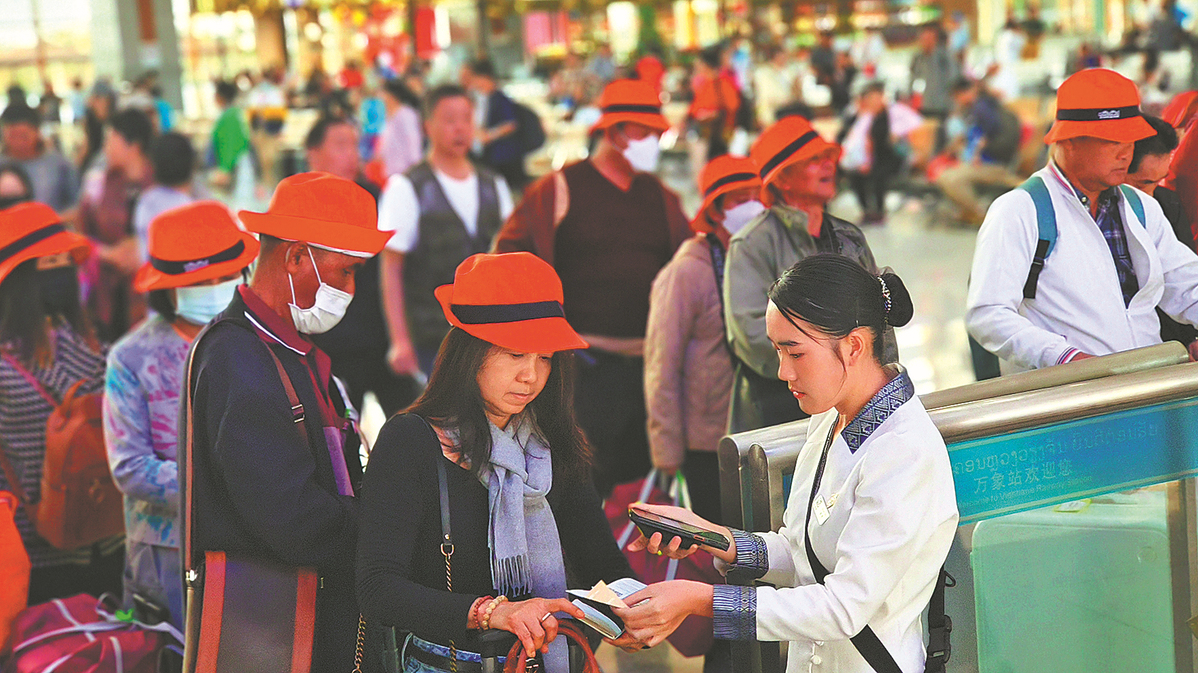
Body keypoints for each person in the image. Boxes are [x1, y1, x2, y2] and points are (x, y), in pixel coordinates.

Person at [617, 255, 958, 673]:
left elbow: (843, 607)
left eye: (795, 353)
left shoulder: (905, 451)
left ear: (853, 346)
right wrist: (716, 537)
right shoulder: (830, 417)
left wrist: (699, 600)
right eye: (777, 350)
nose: (782, 371)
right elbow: (802, 554)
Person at [357, 252, 643, 673]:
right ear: (469, 354)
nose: (531, 375)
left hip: (552, 660)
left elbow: (604, 563)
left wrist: (635, 606)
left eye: (545, 358)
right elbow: (378, 586)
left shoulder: (553, 445)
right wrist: (491, 612)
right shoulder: (411, 440)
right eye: (514, 355)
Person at [182, 172, 390, 670]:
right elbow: (290, 518)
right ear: (296, 257)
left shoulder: (284, 347)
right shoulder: (239, 358)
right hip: (275, 628)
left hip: (310, 611)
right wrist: (387, 534)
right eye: (344, 272)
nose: (351, 289)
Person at [494, 79, 691, 495]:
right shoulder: (560, 188)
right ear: (615, 131)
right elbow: (509, 258)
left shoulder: (661, 198)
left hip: (651, 374)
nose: (654, 141)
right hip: (583, 372)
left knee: (644, 492)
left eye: (657, 132)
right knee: (578, 487)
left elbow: (690, 268)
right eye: (644, 132)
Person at [967, 69, 1198, 373]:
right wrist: (1065, 357)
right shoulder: (1020, 210)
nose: (1126, 152)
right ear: (1070, 140)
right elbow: (989, 314)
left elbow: (1186, 284)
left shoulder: (1141, 207)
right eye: (1113, 140)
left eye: (1131, 139)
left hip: (1146, 388)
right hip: (1069, 402)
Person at [103, 201, 255, 631]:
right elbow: (129, 467)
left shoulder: (259, 342)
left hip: (253, 546)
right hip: (166, 556)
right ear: (166, 290)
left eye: (224, 277)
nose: (214, 287)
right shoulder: (132, 359)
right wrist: (220, 486)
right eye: (198, 282)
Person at [728, 116, 894, 433]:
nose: (827, 167)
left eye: (827, 158)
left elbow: (878, 316)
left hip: (855, 407)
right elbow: (750, 336)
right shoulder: (751, 244)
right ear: (782, 179)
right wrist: (822, 360)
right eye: (813, 161)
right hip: (784, 411)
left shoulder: (849, 237)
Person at [0, 202, 118, 604]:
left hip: (106, 538)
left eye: (65, 260)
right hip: (40, 552)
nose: (62, 270)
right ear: (19, 278)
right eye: (48, 261)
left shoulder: (82, 338)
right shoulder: (15, 360)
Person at [645, 156, 763, 524]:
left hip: (759, 430)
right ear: (714, 211)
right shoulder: (687, 271)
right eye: (736, 199)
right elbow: (662, 364)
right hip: (706, 443)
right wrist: (667, 451)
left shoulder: (760, 260)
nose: (750, 206)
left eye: (755, 195)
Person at [378, 85, 515, 378]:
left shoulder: (494, 184)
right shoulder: (407, 187)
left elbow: (508, 259)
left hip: (490, 336)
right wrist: (400, 341)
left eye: (467, 118)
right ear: (427, 126)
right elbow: (391, 268)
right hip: (432, 339)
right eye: (450, 119)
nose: (461, 128)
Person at [305, 115, 419, 416]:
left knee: (413, 428)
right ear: (313, 153)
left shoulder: (377, 199)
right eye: (340, 145)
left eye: (355, 145)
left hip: (383, 339)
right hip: (330, 347)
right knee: (340, 441)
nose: (352, 155)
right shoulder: (298, 207)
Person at [77, 107, 155, 341]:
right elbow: (80, 235)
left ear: (133, 145)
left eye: (112, 140)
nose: (106, 147)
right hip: (105, 297)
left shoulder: (161, 185)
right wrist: (107, 253)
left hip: (151, 300)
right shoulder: (99, 182)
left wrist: (143, 251)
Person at [1122, 115, 1198, 351]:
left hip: (1166, 351)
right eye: (1142, 184)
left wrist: (1190, 340)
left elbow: (1181, 280)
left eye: (1158, 182)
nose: (1151, 195)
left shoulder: (1166, 204)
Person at [934, 78, 1023, 225]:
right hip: (985, 163)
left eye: (957, 97)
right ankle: (971, 212)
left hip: (994, 165)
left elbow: (990, 137)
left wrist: (977, 153)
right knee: (945, 176)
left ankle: (980, 214)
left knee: (950, 179)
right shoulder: (984, 108)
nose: (957, 101)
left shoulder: (983, 109)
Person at [837, 82, 903, 224]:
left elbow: (883, 141)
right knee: (854, 176)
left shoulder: (886, 116)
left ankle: (879, 211)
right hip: (860, 159)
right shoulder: (857, 116)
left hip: (882, 157)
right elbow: (843, 136)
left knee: (878, 175)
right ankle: (866, 209)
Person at [132, 132, 204, 261]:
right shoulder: (193, 210)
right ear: (192, 166)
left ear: (153, 166)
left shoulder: (145, 201)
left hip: (150, 276)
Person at [0, 103, 79, 213]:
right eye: (13, 136)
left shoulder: (60, 165)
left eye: (23, 136)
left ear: (37, 132)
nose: (18, 142)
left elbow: (76, 206)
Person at [467, 59, 528, 191]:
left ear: (484, 78)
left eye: (475, 78)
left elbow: (511, 124)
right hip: (489, 156)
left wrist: (490, 135)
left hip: (505, 157)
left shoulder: (500, 98)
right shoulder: (480, 98)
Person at [689, 46, 741, 162]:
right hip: (707, 134)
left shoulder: (721, 85)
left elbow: (733, 107)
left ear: (706, 65)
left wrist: (712, 114)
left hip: (718, 136)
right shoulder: (706, 84)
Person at [909, 24, 958, 125]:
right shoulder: (918, 58)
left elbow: (953, 80)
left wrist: (952, 105)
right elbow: (913, 79)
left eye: (929, 38)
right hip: (922, 106)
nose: (925, 41)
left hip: (941, 106)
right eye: (923, 38)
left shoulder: (944, 56)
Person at [378, 77, 424, 178]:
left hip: (406, 172)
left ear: (391, 95)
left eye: (382, 94)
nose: (380, 98)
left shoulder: (406, 114)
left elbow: (413, 142)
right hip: (392, 173)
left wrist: (416, 171)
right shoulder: (388, 117)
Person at [210, 80, 251, 187]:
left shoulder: (229, 117)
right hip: (237, 167)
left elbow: (230, 144)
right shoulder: (234, 113)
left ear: (220, 96)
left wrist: (224, 169)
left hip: (233, 170)